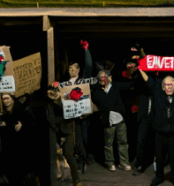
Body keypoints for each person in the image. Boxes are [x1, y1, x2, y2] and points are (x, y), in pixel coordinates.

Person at [92, 68, 134, 171]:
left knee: (123, 142)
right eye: (100, 77)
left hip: (120, 120)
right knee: (108, 144)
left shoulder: (116, 87)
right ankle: (110, 163)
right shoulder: (96, 92)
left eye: (104, 76)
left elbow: (129, 85)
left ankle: (124, 163)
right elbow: (103, 102)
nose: (103, 78)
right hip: (108, 121)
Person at [61, 41, 94, 171]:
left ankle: (84, 158)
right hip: (69, 117)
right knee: (71, 140)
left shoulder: (83, 80)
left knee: (84, 139)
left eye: (75, 68)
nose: (73, 70)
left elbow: (89, 66)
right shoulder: (65, 84)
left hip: (82, 117)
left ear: (79, 70)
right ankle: (75, 160)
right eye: (70, 68)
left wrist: (86, 51)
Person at [46, 84, 82, 186]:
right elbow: (50, 119)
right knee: (54, 157)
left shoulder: (65, 100)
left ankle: (76, 180)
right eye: (51, 91)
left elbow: (68, 114)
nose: (53, 93)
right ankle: (57, 179)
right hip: (54, 133)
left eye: (55, 91)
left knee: (69, 154)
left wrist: (58, 99)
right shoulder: (48, 104)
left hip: (67, 131)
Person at [0, 93, 35, 185]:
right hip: (8, 152)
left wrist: (22, 125)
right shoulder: (1, 112)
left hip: (21, 152)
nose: (6, 101)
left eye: (7, 98)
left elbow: (32, 124)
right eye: (3, 99)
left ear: (13, 99)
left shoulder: (21, 111)